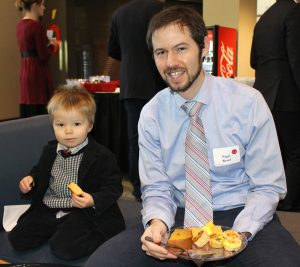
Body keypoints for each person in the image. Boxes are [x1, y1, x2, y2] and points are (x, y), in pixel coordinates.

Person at [84, 6, 300, 267]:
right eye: (161, 52)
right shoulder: (152, 114)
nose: (171, 62)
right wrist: (156, 224)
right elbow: (157, 188)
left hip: (240, 214)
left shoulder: (247, 103)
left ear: (204, 46)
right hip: (178, 216)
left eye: (181, 48)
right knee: (104, 262)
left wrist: (238, 235)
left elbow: (267, 186)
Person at [8, 87, 125, 260]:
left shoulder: (102, 155)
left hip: (82, 211)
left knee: (64, 249)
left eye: (77, 124)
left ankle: (93, 235)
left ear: (90, 125)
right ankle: (58, 228)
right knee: (17, 238)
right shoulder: (49, 151)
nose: (68, 131)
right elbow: (39, 172)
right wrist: (30, 181)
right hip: (50, 207)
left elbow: (113, 187)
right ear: (53, 125)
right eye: (61, 125)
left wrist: (92, 200)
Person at [107, 0, 166, 202]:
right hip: (158, 82)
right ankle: (164, 188)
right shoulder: (159, 9)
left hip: (131, 84)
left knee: (136, 141)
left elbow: (113, 50)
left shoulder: (119, 13)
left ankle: (139, 190)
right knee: (165, 137)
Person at [250, 0, 300, 212]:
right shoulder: (294, 13)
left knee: (273, 153)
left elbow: (253, 61)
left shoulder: (264, 19)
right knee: (296, 152)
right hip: (288, 95)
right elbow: (296, 58)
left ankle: (271, 202)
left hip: (263, 94)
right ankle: (287, 204)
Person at [15, 0, 58, 118]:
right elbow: (44, 56)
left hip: (25, 71)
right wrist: (53, 45)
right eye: (42, 4)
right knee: (39, 111)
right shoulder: (37, 26)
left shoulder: (19, 25)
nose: (44, 7)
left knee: (28, 109)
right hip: (37, 73)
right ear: (35, 6)